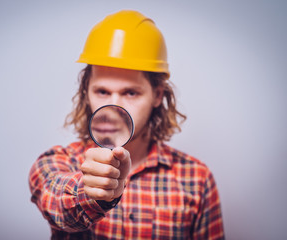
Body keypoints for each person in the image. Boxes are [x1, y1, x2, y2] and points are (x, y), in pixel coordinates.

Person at [29, 10, 225, 239]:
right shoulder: (57, 162)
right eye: (102, 91)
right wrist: (90, 190)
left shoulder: (197, 178)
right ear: (86, 93)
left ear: (157, 95)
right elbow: (56, 201)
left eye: (130, 93)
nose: (113, 108)